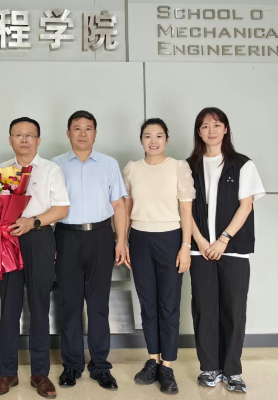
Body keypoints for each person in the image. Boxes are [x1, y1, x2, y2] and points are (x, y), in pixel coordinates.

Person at [0, 117, 70, 398]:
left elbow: (62, 208)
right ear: (10, 139)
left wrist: (32, 222)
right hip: (7, 240)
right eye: (18, 134)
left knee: (39, 306)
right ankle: (6, 372)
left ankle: (40, 373)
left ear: (38, 140)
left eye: (29, 135)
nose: (24, 139)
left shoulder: (51, 170)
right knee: (9, 308)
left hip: (39, 238)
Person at [187, 107, 265, 394]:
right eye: (205, 126)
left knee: (234, 309)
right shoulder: (188, 166)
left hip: (233, 249)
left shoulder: (242, 164)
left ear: (226, 129)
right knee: (204, 309)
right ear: (198, 132)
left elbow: (246, 205)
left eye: (217, 125)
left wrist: (223, 240)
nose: (211, 130)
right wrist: (201, 241)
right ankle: (209, 367)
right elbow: (184, 209)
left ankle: (232, 370)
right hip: (199, 250)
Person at [52, 110, 128, 390]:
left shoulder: (109, 164)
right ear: (68, 133)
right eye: (77, 128)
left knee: (98, 305)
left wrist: (121, 241)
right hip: (66, 237)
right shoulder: (55, 165)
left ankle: (100, 366)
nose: (82, 133)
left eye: (88, 128)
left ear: (95, 133)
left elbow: (118, 205)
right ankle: (72, 365)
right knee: (70, 305)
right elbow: (48, 207)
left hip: (100, 237)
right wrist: (51, 244)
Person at [123, 118, 195, 395]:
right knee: (147, 304)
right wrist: (124, 242)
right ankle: (153, 359)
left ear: (167, 139)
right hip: (140, 240)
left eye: (159, 136)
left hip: (170, 239)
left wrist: (185, 246)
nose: (153, 141)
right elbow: (127, 210)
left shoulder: (178, 167)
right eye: (147, 136)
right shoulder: (132, 169)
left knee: (169, 305)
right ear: (141, 139)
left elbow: (186, 210)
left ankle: (167, 366)